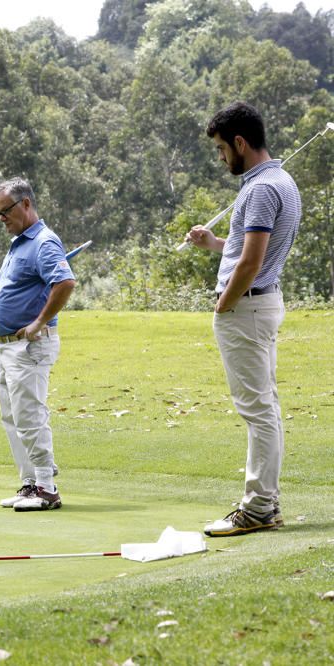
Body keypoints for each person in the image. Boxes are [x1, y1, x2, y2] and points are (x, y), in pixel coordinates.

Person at [186, 101, 301, 536]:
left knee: (257, 411)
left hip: (247, 305)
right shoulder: (280, 181)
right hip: (262, 303)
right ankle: (264, 504)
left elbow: (251, 262)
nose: (220, 158)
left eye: (221, 148)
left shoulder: (258, 190)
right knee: (264, 407)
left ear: (239, 142)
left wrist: (223, 303)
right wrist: (217, 243)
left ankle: (258, 509)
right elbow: (250, 250)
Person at [0, 177, 76, 511]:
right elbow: (20, 288)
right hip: (6, 345)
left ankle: (47, 487)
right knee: (12, 416)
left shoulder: (44, 241)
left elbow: (64, 283)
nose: (2, 219)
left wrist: (38, 322)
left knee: (29, 414)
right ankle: (30, 483)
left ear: (26, 204)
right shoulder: (19, 243)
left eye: (6, 212)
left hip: (29, 345)